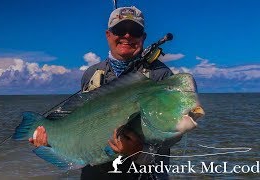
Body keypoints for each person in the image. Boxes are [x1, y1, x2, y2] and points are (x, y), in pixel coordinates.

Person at [30, 6, 180, 180]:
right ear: (108, 35)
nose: (127, 36)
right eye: (120, 30)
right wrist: (51, 143)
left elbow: (170, 134)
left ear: (143, 37)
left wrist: (139, 152)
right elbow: (79, 124)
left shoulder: (161, 76)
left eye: (135, 31)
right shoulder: (91, 73)